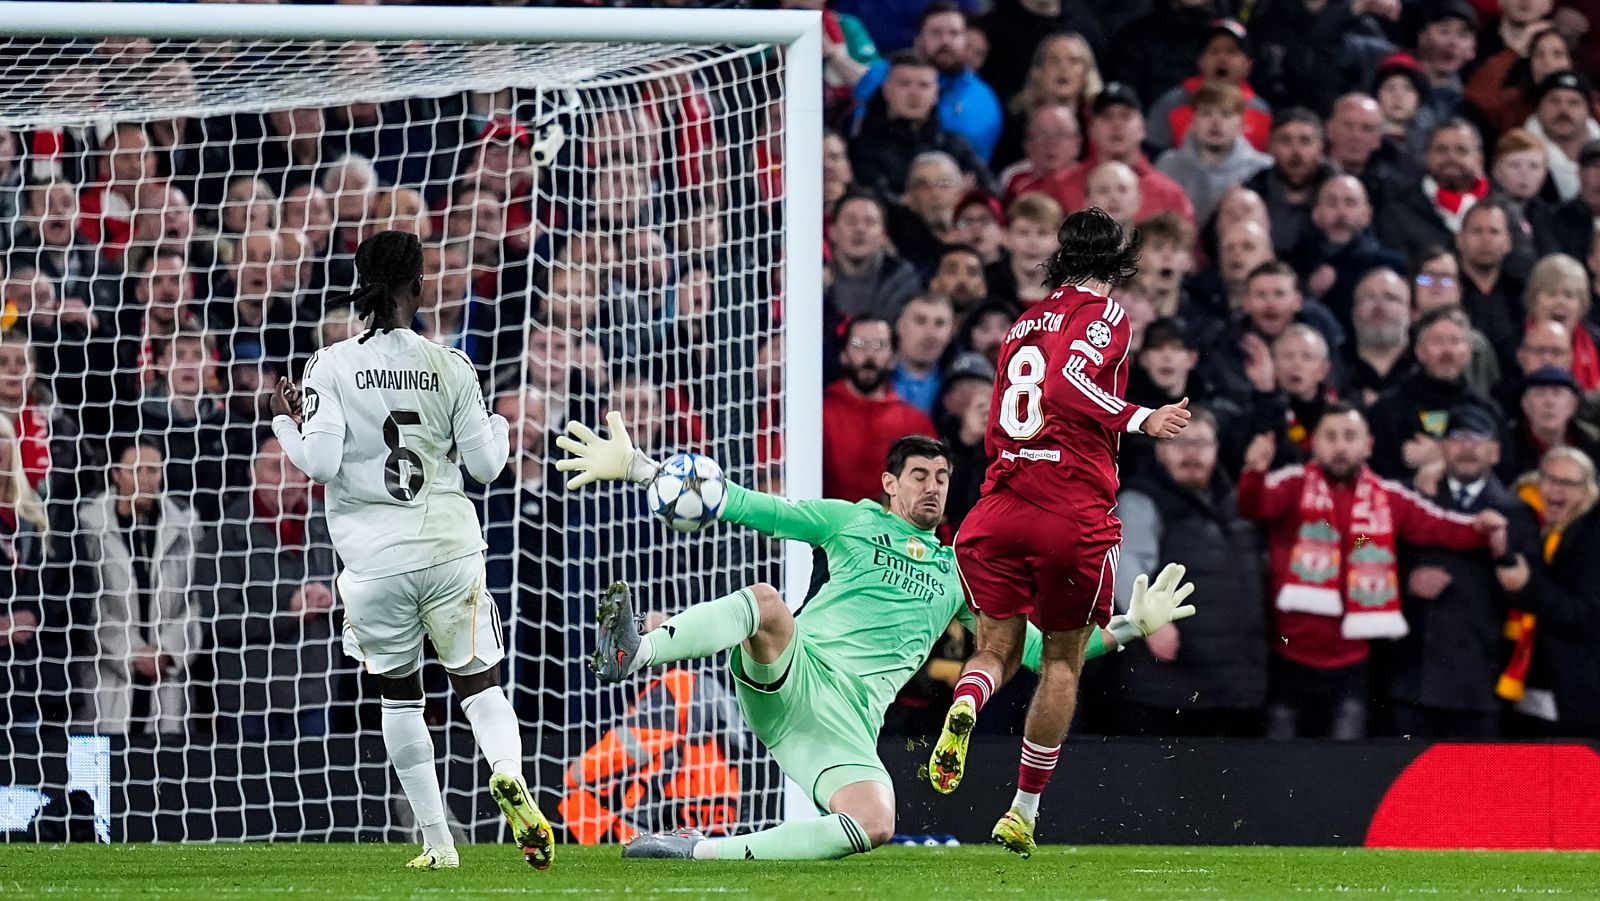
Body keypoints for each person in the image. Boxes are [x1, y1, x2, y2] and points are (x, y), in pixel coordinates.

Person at [554, 428, 1195, 860]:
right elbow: (744, 504)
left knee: (876, 823)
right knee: (769, 604)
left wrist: (1128, 628)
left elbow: (1031, 651)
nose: (933, 487)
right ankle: (636, 652)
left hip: (845, 724)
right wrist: (639, 467)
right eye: (919, 474)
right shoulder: (850, 520)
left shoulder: (958, 570)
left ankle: (697, 850)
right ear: (890, 483)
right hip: (796, 669)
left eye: (943, 477)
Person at [265, 231, 553, 871]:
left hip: (375, 562)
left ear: (359, 285)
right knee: (480, 686)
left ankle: (438, 842)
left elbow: (319, 462)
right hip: (449, 547)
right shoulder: (451, 365)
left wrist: (286, 421)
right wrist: (502, 426)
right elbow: (483, 467)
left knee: (401, 698)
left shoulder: (330, 365)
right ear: (418, 288)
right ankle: (506, 771)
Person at [929, 209, 1192, 856]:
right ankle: (1023, 809)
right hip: (1067, 510)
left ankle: (966, 700)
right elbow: (1066, 383)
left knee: (995, 647)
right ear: (1117, 263)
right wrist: (1141, 417)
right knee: (1060, 661)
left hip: (998, 507)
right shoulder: (1105, 315)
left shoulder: (1023, 323)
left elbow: (1007, 410)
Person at [1238, 404, 1507, 740]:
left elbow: (1438, 525)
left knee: (1345, 774)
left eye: (1350, 437)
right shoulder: (1291, 484)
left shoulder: (1388, 496)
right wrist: (1254, 471)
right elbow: (1253, 505)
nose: (1340, 446)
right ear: (1315, 443)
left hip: (1352, 663)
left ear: (1368, 445)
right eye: (1331, 436)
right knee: (1280, 771)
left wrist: (1481, 528)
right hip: (1287, 654)